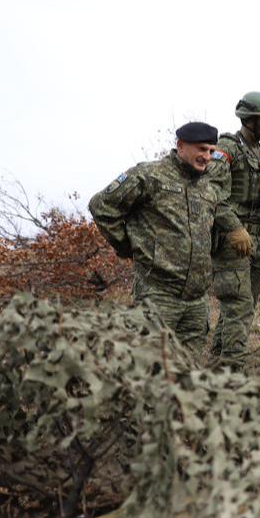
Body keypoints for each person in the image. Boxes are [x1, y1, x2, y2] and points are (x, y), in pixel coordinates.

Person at [89, 122, 230, 357]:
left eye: (211, 151)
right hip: (158, 295)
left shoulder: (207, 188)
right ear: (181, 146)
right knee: (150, 371)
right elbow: (101, 206)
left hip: (197, 301)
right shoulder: (148, 175)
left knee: (187, 374)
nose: (206, 156)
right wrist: (128, 247)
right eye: (201, 149)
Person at [209, 91, 260, 370]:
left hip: (259, 242)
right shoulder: (227, 147)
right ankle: (232, 371)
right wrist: (233, 228)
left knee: (243, 306)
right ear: (249, 119)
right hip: (233, 242)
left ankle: (218, 360)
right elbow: (212, 193)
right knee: (239, 305)